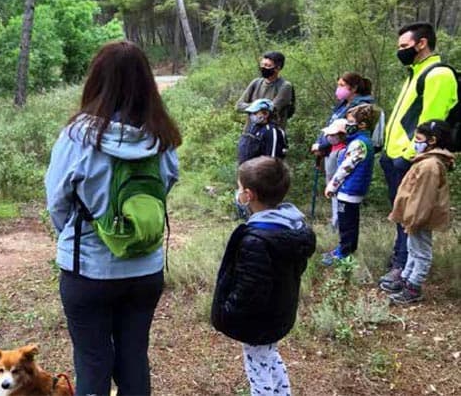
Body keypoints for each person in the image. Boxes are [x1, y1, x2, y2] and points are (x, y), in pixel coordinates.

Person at [45, 41, 180, 396]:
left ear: (96, 80)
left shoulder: (77, 137)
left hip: (87, 269)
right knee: (134, 356)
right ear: (146, 83)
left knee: (92, 360)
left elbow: (57, 201)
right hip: (146, 270)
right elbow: (164, 188)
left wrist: (78, 234)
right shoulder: (161, 137)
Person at [211, 156, 316, 396]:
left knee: (257, 369)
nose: (237, 193)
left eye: (239, 188)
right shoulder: (291, 226)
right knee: (268, 356)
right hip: (278, 313)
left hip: (258, 321)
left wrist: (228, 310)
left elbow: (250, 289)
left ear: (249, 195)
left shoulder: (256, 240)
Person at [379, 22, 458, 290]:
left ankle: (403, 269)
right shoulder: (415, 73)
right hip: (394, 156)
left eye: (404, 46)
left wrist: (408, 156)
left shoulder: (438, 74)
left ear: (421, 43)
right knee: (402, 214)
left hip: (410, 159)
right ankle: (399, 261)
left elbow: (429, 123)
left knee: (411, 218)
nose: (400, 51)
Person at [386, 120, 454, 304]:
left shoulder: (430, 166)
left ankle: (413, 288)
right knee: (412, 248)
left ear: (432, 141)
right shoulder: (425, 161)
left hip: (419, 218)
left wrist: (414, 220)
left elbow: (423, 198)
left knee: (421, 252)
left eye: (418, 139)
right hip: (413, 216)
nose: (415, 142)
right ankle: (406, 278)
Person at [311, 72, 374, 228]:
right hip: (330, 151)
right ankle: (336, 222)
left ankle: (339, 224)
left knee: (339, 187)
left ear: (354, 88)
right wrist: (320, 145)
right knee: (333, 187)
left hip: (343, 151)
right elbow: (331, 125)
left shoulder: (360, 108)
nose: (338, 89)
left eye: (341, 85)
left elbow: (343, 132)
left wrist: (322, 146)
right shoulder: (342, 104)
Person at [321, 104, 380, 266]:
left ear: (362, 125)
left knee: (346, 224)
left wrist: (332, 186)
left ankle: (344, 252)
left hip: (349, 190)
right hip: (354, 189)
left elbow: (345, 168)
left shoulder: (359, 144)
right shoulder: (364, 142)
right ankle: (348, 249)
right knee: (351, 221)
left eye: (350, 121)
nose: (347, 125)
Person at [236, 51, 294, 129]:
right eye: (262, 64)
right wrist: (258, 105)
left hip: (271, 134)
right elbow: (239, 106)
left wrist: (252, 108)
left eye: (267, 65)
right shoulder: (256, 82)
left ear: (277, 68)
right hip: (250, 132)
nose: (263, 68)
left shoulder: (285, 86)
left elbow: (271, 110)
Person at [237, 98, 287, 165]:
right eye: (251, 113)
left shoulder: (272, 131)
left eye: (255, 113)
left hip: (263, 172)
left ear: (266, 114)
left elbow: (272, 159)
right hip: (249, 170)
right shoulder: (254, 128)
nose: (252, 116)